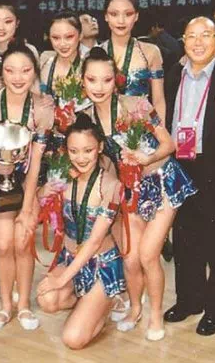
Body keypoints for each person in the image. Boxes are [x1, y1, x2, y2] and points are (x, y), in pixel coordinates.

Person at [82, 47, 197, 340]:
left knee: (148, 255)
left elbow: (169, 145)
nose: (99, 87)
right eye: (92, 80)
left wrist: (147, 158)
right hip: (130, 191)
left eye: (106, 80)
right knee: (131, 258)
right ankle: (135, 308)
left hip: (160, 181)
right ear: (83, 81)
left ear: (116, 81)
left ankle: (155, 315)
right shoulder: (85, 118)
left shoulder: (136, 104)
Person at [163, 17, 215, 336]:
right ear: (183, 40)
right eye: (191, 36)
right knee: (185, 238)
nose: (198, 42)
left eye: (206, 35)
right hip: (182, 165)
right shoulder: (174, 74)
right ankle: (189, 300)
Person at [0, 42, 54, 331]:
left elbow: (38, 158)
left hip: (31, 183)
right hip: (0, 183)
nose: (18, 77)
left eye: (25, 70)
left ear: (35, 72)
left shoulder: (43, 106)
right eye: (10, 70)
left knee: (23, 242)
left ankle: (24, 306)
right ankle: (5, 306)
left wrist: (29, 205)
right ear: (1, 72)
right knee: (4, 245)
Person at [36, 113, 125, 349]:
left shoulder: (111, 186)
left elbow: (94, 242)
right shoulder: (64, 177)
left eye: (88, 150)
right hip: (70, 258)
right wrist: (46, 189)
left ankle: (106, 303)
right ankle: (87, 303)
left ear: (100, 148)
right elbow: (39, 205)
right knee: (47, 300)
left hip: (101, 265)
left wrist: (61, 279)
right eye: (74, 151)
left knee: (73, 340)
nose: (81, 158)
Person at [101, 0, 166, 121]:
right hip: (105, 129)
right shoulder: (95, 53)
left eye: (128, 14)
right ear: (106, 16)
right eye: (114, 14)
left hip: (141, 128)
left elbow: (158, 100)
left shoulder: (150, 52)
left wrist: (160, 129)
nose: (121, 21)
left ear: (136, 16)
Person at [0, 1, 39, 89]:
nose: (1, 27)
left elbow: (35, 89)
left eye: (8, 21)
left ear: (17, 23)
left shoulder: (28, 50)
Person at [39, 10, 83, 96]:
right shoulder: (43, 62)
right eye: (56, 38)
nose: (62, 44)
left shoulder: (88, 66)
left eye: (69, 37)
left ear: (80, 35)